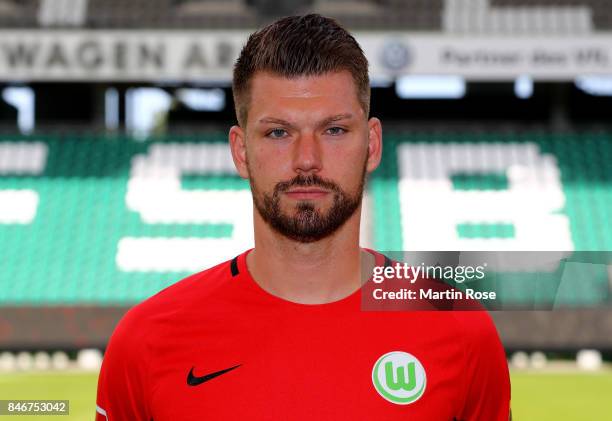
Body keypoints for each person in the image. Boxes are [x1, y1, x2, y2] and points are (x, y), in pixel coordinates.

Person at [96, 14, 511, 420]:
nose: (307, 160)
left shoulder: (460, 329)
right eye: (278, 132)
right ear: (241, 151)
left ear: (372, 145)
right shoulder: (147, 341)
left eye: (334, 130)